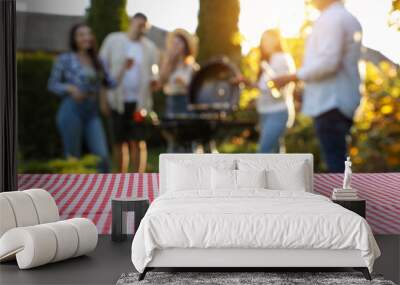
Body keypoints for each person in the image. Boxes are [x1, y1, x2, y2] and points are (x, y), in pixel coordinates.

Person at [272, 0, 362, 172]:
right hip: (340, 101)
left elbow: (328, 63)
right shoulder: (346, 17)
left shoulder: (332, 18)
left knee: (336, 167)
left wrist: (293, 76)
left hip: (331, 103)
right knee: (339, 162)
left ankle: (342, 200)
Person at [48, 23, 114, 173]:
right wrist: (70, 88)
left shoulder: (98, 60)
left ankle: (105, 192)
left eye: (88, 33)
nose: (86, 37)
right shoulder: (65, 59)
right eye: (81, 34)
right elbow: (52, 84)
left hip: (92, 111)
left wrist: (123, 67)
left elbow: (110, 82)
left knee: (102, 156)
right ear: (74, 38)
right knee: (73, 158)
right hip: (71, 109)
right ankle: (72, 194)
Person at [100, 13, 159, 173]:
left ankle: (138, 179)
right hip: (117, 101)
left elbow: (154, 71)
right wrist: (103, 98)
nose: (141, 29)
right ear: (131, 22)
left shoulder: (150, 47)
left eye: (144, 26)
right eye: (138, 24)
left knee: (138, 142)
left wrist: (155, 80)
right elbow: (103, 71)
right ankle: (120, 178)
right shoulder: (113, 40)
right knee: (119, 142)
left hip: (140, 104)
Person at [246, 29, 296, 153]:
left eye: (267, 40)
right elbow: (264, 85)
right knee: (276, 153)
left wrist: (259, 85)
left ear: (276, 41)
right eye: (262, 40)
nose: (264, 43)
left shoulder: (281, 58)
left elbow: (275, 87)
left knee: (264, 152)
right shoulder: (269, 60)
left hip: (277, 112)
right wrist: (248, 83)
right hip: (265, 112)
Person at [159, 29, 198, 118]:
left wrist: (184, 84)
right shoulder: (168, 63)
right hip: (172, 101)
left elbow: (196, 89)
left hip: (186, 102)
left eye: (179, 42)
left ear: (185, 45)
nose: (175, 45)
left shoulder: (192, 67)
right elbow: (161, 82)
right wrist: (168, 62)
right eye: (174, 42)